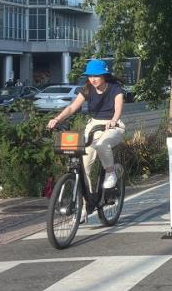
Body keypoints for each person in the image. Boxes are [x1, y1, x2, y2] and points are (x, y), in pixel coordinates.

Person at [47, 59, 125, 210]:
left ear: (104, 76)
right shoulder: (87, 88)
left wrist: (113, 120)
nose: (93, 79)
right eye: (90, 76)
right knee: (84, 164)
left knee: (103, 144)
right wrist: (57, 119)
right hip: (94, 125)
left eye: (96, 76)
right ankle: (85, 203)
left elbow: (118, 109)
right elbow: (72, 108)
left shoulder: (115, 88)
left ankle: (110, 172)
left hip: (113, 125)